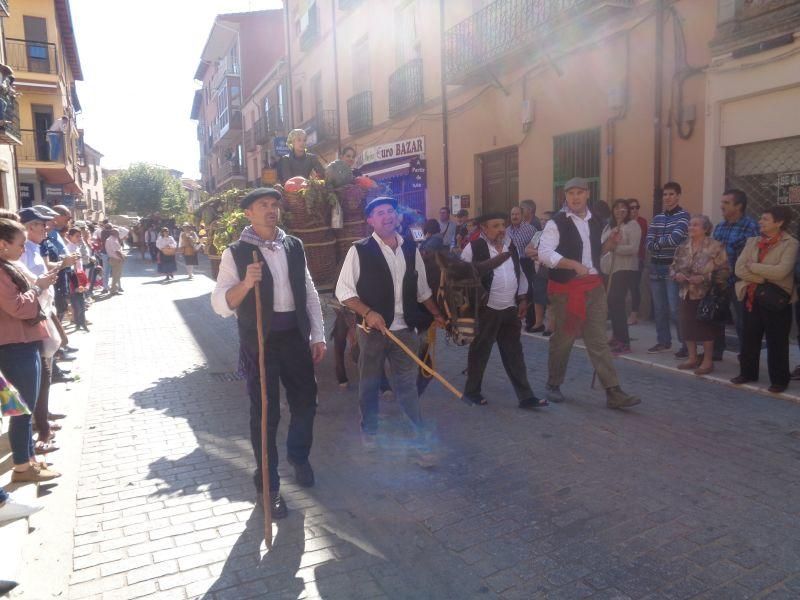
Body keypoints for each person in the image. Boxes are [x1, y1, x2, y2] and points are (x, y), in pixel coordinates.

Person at [211, 187, 326, 518]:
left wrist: (317, 333)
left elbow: (308, 291)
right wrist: (246, 284)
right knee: (265, 414)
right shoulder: (237, 253)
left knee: (306, 402)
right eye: (263, 205)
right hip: (260, 341)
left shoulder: (294, 245)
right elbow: (220, 303)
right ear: (249, 213)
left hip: (295, 337)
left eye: (274, 205)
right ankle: (268, 487)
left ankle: (298, 455)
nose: (271, 209)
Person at [335, 196, 445, 457]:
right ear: (370, 220)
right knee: (370, 383)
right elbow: (344, 292)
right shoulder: (359, 250)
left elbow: (422, 291)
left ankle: (418, 435)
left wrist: (438, 315)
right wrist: (369, 312)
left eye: (391, 211)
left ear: (398, 216)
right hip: (372, 332)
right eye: (380, 212)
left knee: (407, 385)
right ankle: (370, 429)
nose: (387, 216)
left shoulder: (410, 249)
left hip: (405, 330)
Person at [535, 177, 640, 409]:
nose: (575, 197)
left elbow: (593, 253)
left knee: (598, 340)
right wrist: (572, 264)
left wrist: (609, 245)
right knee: (564, 339)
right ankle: (553, 383)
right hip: (566, 291)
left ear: (587, 194)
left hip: (594, 288)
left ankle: (613, 391)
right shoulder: (556, 223)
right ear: (565, 196)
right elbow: (543, 253)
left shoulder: (597, 221)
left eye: (579, 192)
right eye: (570, 193)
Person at [461, 212, 545, 409]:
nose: (501, 229)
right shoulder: (472, 248)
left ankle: (526, 397)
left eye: (502, 225)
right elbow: (461, 278)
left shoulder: (511, 247)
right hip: (486, 310)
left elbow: (520, 274)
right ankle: (472, 392)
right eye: (496, 225)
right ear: (484, 228)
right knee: (480, 352)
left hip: (510, 309)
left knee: (514, 354)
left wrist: (523, 298)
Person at [0, 218, 61, 483]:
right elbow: (18, 307)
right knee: (23, 410)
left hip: (21, 343)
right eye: (20, 244)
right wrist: (39, 287)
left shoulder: (7, 266)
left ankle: (28, 462)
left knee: (24, 408)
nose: (24, 250)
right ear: (3, 245)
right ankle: (24, 467)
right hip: (15, 346)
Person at [731, 206, 798, 394]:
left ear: (779, 222)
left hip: (775, 299)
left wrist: (754, 267)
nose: (760, 222)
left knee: (777, 341)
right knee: (749, 337)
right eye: (761, 218)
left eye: (765, 219)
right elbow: (739, 269)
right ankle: (747, 373)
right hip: (751, 295)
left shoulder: (790, 244)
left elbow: (782, 271)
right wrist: (762, 277)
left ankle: (779, 380)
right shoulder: (752, 241)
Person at [670, 215, 729, 375]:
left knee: (705, 328)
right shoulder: (683, 246)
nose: (691, 227)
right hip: (686, 292)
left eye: (695, 225)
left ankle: (708, 361)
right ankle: (692, 357)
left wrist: (704, 278)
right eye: (690, 225)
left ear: (705, 228)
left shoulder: (716, 247)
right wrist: (676, 275)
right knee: (686, 325)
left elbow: (724, 271)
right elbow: (673, 267)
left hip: (706, 294)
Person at [712, 189, 759, 360]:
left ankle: (746, 355)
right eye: (722, 202)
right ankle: (716, 352)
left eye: (726, 203)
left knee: (742, 321)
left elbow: (750, 256)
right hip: (719, 280)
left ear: (738, 206)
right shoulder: (720, 226)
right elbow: (713, 250)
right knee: (716, 317)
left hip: (739, 282)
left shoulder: (750, 226)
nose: (721, 206)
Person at [646, 182, 690, 355]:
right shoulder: (657, 218)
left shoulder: (684, 216)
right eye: (665, 195)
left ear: (678, 196)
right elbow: (648, 243)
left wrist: (657, 243)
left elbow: (676, 239)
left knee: (675, 309)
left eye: (671, 194)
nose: (668, 198)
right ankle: (663, 341)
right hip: (655, 268)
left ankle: (686, 345)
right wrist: (658, 244)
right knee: (659, 309)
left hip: (673, 269)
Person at [600, 199, 641, 355]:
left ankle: (624, 341)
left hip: (623, 269)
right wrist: (609, 241)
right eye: (616, 208)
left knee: (617, 303)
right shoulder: (609, 225)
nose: (619, 211)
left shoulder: (633, 226)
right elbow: (603, 244)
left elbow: (634, 248)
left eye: (623, 208)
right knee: (611, 304)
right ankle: (616, 336)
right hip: (607, 269)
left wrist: (616, 247)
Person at [507, 206, 537, 331]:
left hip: (526, 263)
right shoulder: (507, 230)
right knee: (515, 291)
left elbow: (537, 245)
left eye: (517, 214)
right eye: (512, 214)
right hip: (512, 263)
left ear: (522, 215)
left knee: (528, 291)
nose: (514, 216)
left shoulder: (530, 229)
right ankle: (514, 319)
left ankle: (531, 322)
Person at [626, 198, 648, 326]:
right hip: (624, 259)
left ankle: (634, 315)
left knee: (634, 287)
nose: (635, 210)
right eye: (632, 208)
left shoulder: (642, 222)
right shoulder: (624, 222)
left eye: (637, 207)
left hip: (637, 258)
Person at [105, 229, 125, 294]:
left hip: (113, 258)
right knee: (116, 275)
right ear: (114, 233)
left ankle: (114, 289)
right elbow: (116, 251)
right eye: (117, 232)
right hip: (116, 259)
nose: (118, 233)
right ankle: (113, 290)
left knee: (116, 275)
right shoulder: (112, 240)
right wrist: (122, 258)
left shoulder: (111, 239)